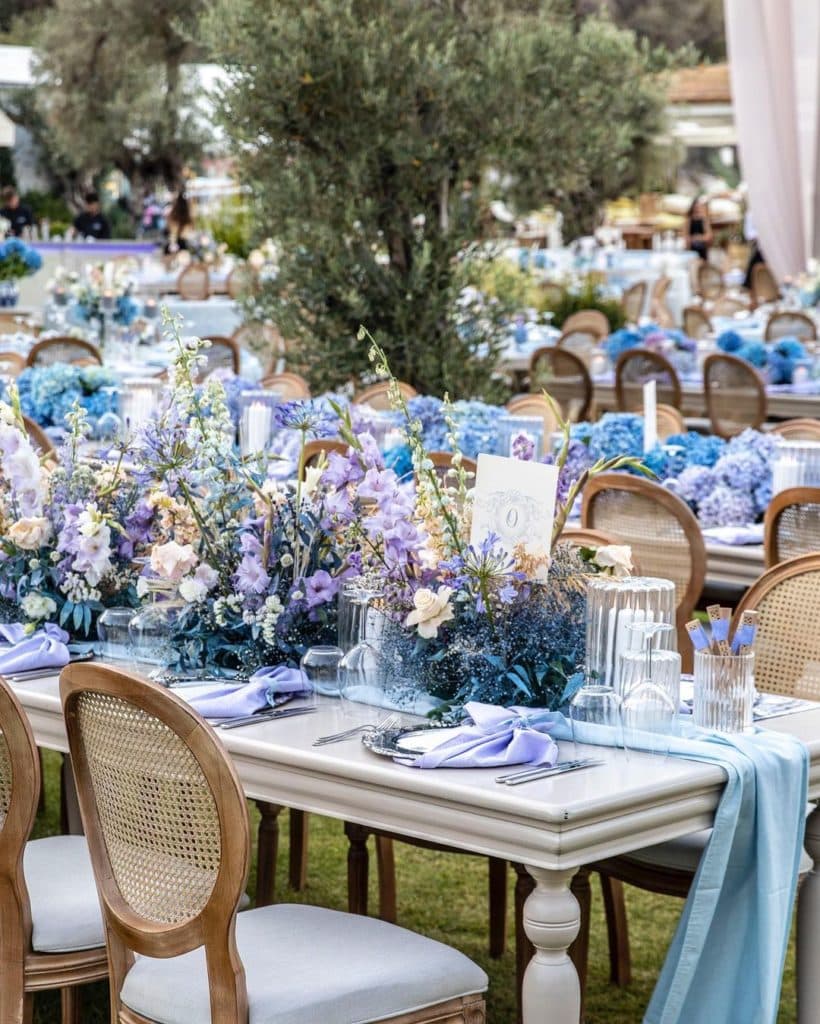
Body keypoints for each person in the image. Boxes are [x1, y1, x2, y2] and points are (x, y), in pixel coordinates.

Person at [685, 196, 713, 261]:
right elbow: (686, 236)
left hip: (702, 248)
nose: (697, 208)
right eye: (696, 206)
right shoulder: (689, 220)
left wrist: (698, 238)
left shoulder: (704, 219)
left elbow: (709, 236)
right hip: (692, 248)